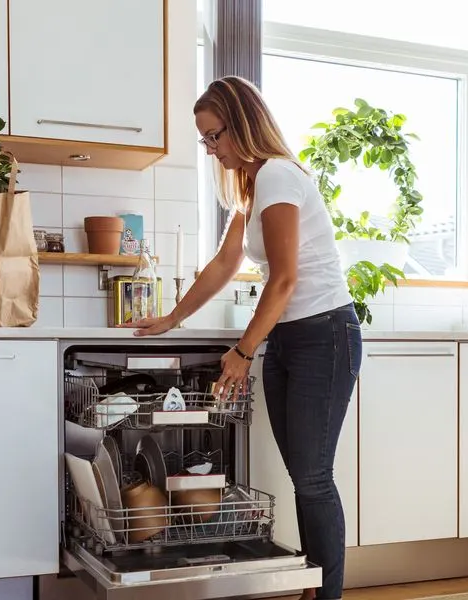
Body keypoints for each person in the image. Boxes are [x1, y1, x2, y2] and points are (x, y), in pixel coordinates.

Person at [127, 75, 361, 600]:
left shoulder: (278, 174)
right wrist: (172, 318)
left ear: (244, 124)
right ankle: (316, 586)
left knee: (313, 477)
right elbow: (224, 265)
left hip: (324, 334)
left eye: (215, 136)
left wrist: (243, 350)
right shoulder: (252, 189)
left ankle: (326, 593)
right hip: (290, 339)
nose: (210, 148)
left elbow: (284, 278)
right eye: (204, 139)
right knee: (306, 475)